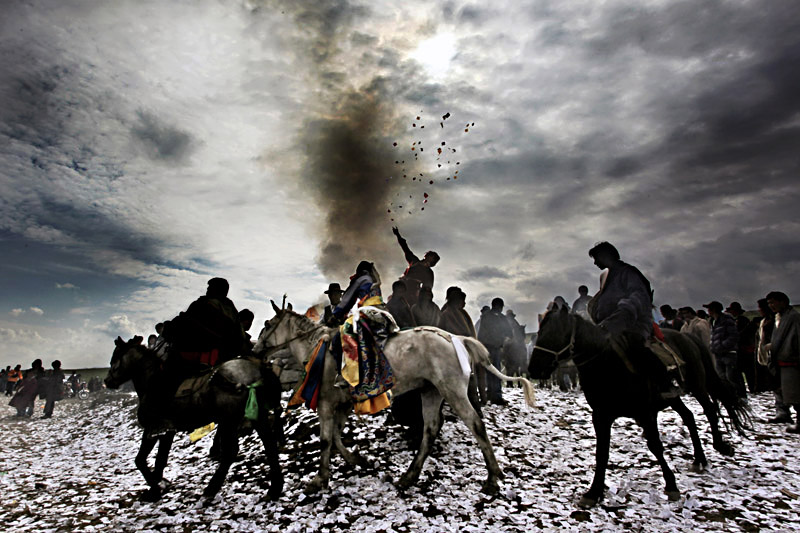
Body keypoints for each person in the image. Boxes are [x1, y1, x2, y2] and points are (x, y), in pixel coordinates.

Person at [587, 241, 677, 398]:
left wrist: (621, 314)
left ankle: (665, 384)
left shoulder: (629, 273)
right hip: (609, 325)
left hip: (633, 323)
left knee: (635, 346)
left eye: (596, 258)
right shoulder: (607, 278)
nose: (595, 263)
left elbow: (637, 297)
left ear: (605, 256)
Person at [766, 291, 800, 433]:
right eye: (769, 303)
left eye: (773, 302)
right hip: (782, 360)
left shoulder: (794, 318)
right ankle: (785, 414)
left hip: (792, 360)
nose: (771, 306)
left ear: (783, 302)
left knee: (796, 393)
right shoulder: (779, 318)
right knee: (787, 392)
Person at [755, 298, 789, 423]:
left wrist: (771, 345)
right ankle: (781, 411)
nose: (759, 310)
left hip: (779, 355)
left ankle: (784, 411)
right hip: (769, 356)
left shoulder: (778, 321)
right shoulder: (766, 321)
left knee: (783, 385)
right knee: (776, 386)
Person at [705, 301, 746, 399]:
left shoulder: (727, 319)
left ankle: (741, 396)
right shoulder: (712, 321)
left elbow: (733, 335)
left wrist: (723, 346)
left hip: (728, 353)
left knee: (732, 376)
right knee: (722, 377)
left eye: (709, 309)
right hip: (718, 353)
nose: (708, 311)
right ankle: (730, 396)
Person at [392, 226, 440, 305]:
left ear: (433, 261)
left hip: (412, 293)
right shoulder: (414, 261)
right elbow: (405, 248)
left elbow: (427, 288)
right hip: (401, 287)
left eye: (432, 256)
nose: (430, 255)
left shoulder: (429, 273)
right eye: (430, 254)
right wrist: (398, 235)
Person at [478, 298, 513, 405]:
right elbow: (510, 334)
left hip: (485, 348)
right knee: (496, 372)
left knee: (488, 372)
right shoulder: (502, 318)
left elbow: (481, 334)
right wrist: (503, 339)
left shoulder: (485, 317)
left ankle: (489, 394)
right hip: (495, 348)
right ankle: (496, 396)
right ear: (501, 307)